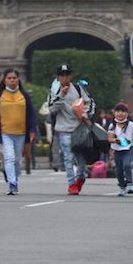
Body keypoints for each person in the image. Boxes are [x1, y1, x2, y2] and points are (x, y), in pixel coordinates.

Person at [0, 69, 37, 196]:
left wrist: (33, 129)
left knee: (17, 160)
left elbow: (31, 114)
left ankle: (15, 178)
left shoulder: (24, 95)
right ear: (5, 80)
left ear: (18, 79)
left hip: (21, 133)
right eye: (9, 78)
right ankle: (12, 183)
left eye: (14, 78)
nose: (12, 80)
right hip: (5, 133)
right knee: (9, 158)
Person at [47, 63, 94, 194]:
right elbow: (51, 108)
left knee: (81, 157)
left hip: (79, 127)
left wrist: (85, 113)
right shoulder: (54, 91)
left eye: (67, 74)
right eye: (62, 75)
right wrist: (61, 95)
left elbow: (90, 102)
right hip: (64, 129)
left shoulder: (78, 89)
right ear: (58, 77)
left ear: (71, 76)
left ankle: (80, 176)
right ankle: (71, 183)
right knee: (68, 157)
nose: (65, 78)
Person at [108, 102, 133, 195]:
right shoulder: (112, 125)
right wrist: (114, 140)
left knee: (127, 165)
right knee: (119, 170)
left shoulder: (132, 125)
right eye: (118, 111)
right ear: (114, 113)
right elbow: (110, 138)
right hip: (117, 150)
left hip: (128, 149)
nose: (120, 113)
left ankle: (130, 183)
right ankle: (122, 186)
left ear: (127, 114)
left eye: (123, 111)